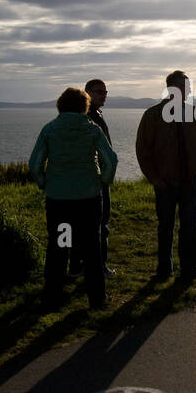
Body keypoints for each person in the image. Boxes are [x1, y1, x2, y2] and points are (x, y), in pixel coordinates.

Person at [29, 86, 117, 310]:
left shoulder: (50, 129)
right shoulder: (92, 129)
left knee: (59, 246)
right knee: (91, 248)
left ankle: (52, 297)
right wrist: (103, 181)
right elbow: (110, 159)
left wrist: (44, 183)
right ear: (84, 106)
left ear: (60, 105)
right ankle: (97, 299)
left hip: (59, 200)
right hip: (88, 198)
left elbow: (35, 163)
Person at [135, 70, 196, 282]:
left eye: (188, 88)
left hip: (189, 181)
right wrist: (154, 178)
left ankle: (189, 270)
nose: (187, 92)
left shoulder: (194, 112)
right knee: (165, 227)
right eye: (183, 88)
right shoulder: (152, 115)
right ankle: (164, 269)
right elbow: (143, 150)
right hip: (164, 183)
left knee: (189, 227)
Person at [84, 78, 115, 275]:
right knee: (100, 222)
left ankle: (80, 265)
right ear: (88, 93)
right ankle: (99, 266)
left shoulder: (94, 113)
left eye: (105, 92)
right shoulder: (90, 116)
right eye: (99, 92)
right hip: (97, 177)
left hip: (93, 176)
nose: (104, 95)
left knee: (92, 223)